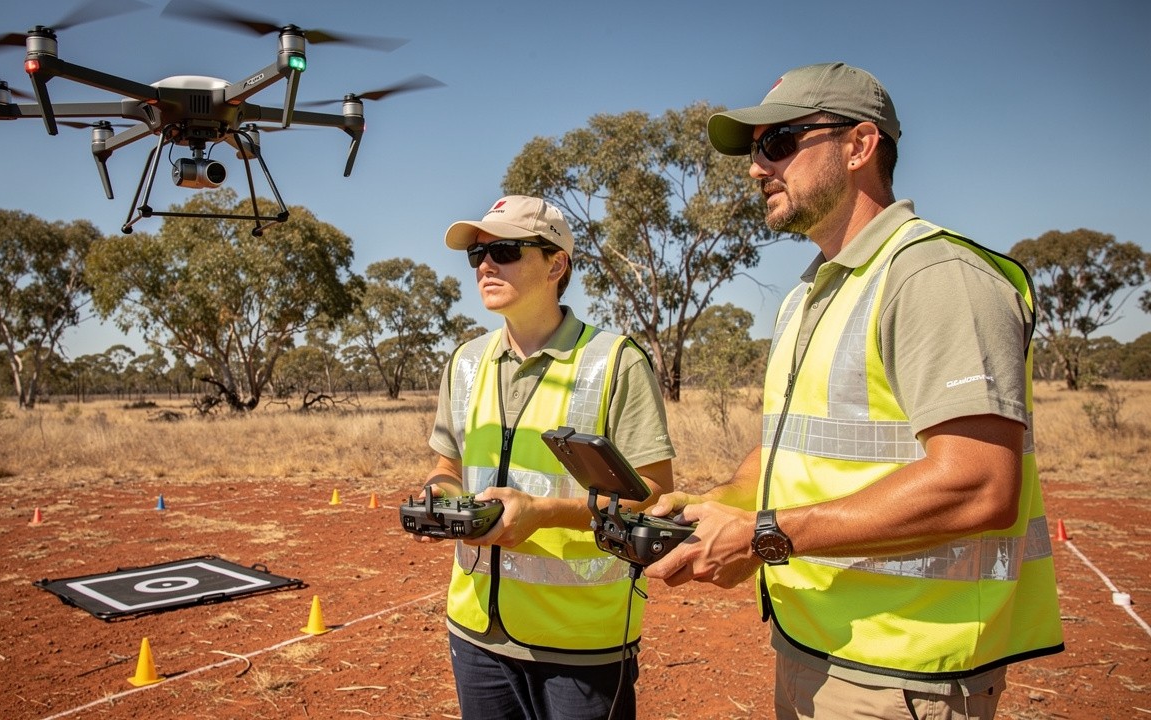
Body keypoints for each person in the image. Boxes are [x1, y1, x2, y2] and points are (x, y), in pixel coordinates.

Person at [643, 62, 1065, 719]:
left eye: (778, 143)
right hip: (811, 648)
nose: (757, 167)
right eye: (755, 150)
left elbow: (979, 483)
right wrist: (715, 509)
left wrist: (764, 537)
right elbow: (787, 457)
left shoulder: (934, 277)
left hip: (907, 674)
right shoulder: (811, 294)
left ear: (860, 145)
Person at [419, 195, 676, 720]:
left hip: (580, 641)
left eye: (506, 250)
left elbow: (655, 496)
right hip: (475, 634)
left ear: (556, 263)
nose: (486, 264)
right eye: (478, 255)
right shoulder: (466, 362)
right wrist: (441, 499)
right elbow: (447, 467)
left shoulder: (615, 362)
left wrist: (544, 514)